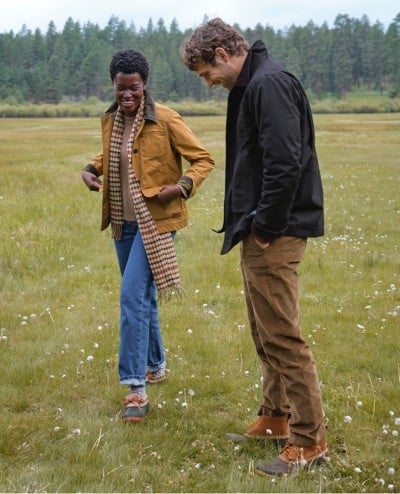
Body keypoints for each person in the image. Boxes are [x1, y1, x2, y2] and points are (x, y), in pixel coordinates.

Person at [182, 18, 327, 476]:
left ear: (223, 52)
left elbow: (286, 163)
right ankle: (275, 418)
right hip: (259, 229)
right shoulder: (254, 85)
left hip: (275, 233)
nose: (209, 83)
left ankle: (309, 440)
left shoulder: (269, 85)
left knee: (283, 336)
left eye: (207, 72)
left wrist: (265, 226)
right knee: (264, 331)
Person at [82, 49, 214, 422]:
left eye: (134, 89)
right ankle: (155, 364)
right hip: (123, 222)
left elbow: (203, 159)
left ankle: (135, 389)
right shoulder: (111, 120)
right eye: (121, 89)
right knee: (142, 296)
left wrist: (184, 185)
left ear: (145, 85)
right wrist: (90, 169)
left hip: (156, 221)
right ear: (113, 86)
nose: (127, 96)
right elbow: (114, 153)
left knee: (131, 295)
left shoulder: (167, 119)